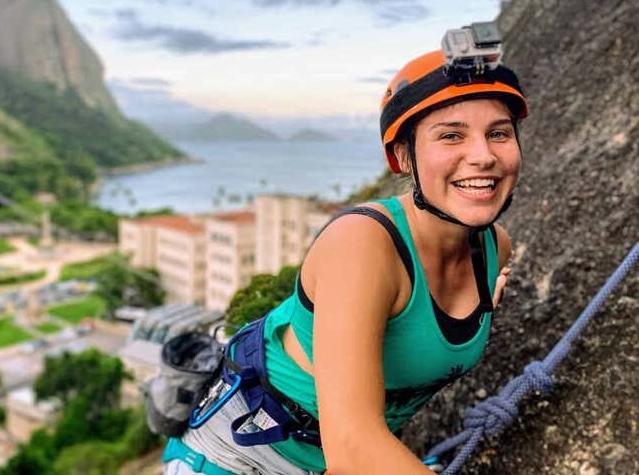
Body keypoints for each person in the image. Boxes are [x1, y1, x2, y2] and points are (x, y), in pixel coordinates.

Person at [162, 28, 528, 475]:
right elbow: (354, 446)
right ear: (403, 157)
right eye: (451, 136)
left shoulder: (494, 249)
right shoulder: (361, 243)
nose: (483, 156)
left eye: (499, 133)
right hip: (235, 459)